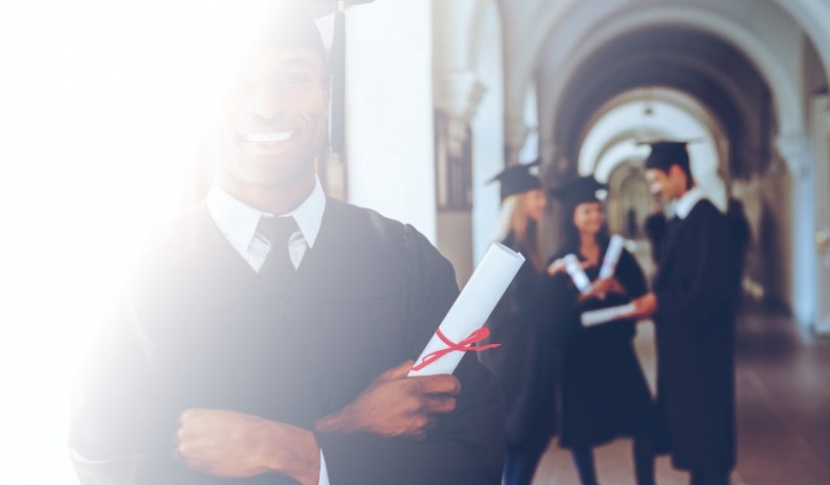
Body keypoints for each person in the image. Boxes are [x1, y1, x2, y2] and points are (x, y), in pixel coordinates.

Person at [68, 4, 505, 485]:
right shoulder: (142, 272)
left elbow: (475, 458)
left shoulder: (404, 260)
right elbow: (106, 466)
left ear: (326, 92)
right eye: (240, 81)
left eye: (295, 77)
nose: (268, 105)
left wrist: (286, 450)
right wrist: (338, 434)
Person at [628, 141, 736, 485]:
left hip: (703, 357)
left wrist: (658, 304)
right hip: (688, 355)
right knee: (696, 446)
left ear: (678, 172)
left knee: (708, 451)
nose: (654, 189)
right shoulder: (686, 219)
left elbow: (708, 292)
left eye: (656, 179)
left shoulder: (706, 220)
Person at [547, 176, 656, 485]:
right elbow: (552, 315)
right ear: (572, 217)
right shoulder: (561, 260)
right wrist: (584, 294)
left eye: (598, 210)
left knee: (644, 422)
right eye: (586, 211)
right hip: (580, 354)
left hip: (616, 349)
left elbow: (640, 294)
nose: (595, 216)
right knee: (582, 431)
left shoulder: (618, 253)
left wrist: (619, 287)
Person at [479, 161, 557, 485]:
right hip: (515, 367)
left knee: (525, 449)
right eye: (536, 196)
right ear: (519, 200)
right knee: (522, 447)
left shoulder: (525, 244)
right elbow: (519, 307)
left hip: (527, 362)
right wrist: (552, 283)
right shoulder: (507, 248)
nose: (542, 203)